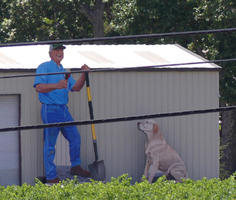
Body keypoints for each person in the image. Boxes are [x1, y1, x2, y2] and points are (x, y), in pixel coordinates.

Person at [33, 44, 91, 183]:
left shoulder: (64, 70)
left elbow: (76, 88)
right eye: (57, 50)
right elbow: (39, 87)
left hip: (63, 110)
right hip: (50, 109)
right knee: (50, 144)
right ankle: (51, 176)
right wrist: (56, 85)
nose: (60, 52)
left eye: (61, 50)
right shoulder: (44, 67)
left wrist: (84, 74)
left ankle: (75, 166)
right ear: (50, 53)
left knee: (75, 137)